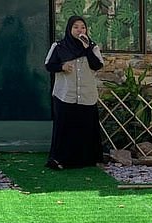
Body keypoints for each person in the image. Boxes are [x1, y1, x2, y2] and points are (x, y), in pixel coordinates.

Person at [44, 15, 104, 169]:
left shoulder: (92, 47)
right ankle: (60, 160)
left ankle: (86, 160)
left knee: (86, 127)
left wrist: (87, 49)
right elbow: (49, 65)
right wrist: (61, 67)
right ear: (69, 29)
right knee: (64, 127)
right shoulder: (58, 46)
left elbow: (97, 65)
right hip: (65, 94)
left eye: (82, 27)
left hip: (86, 94)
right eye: (76, 27)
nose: (79, 30)